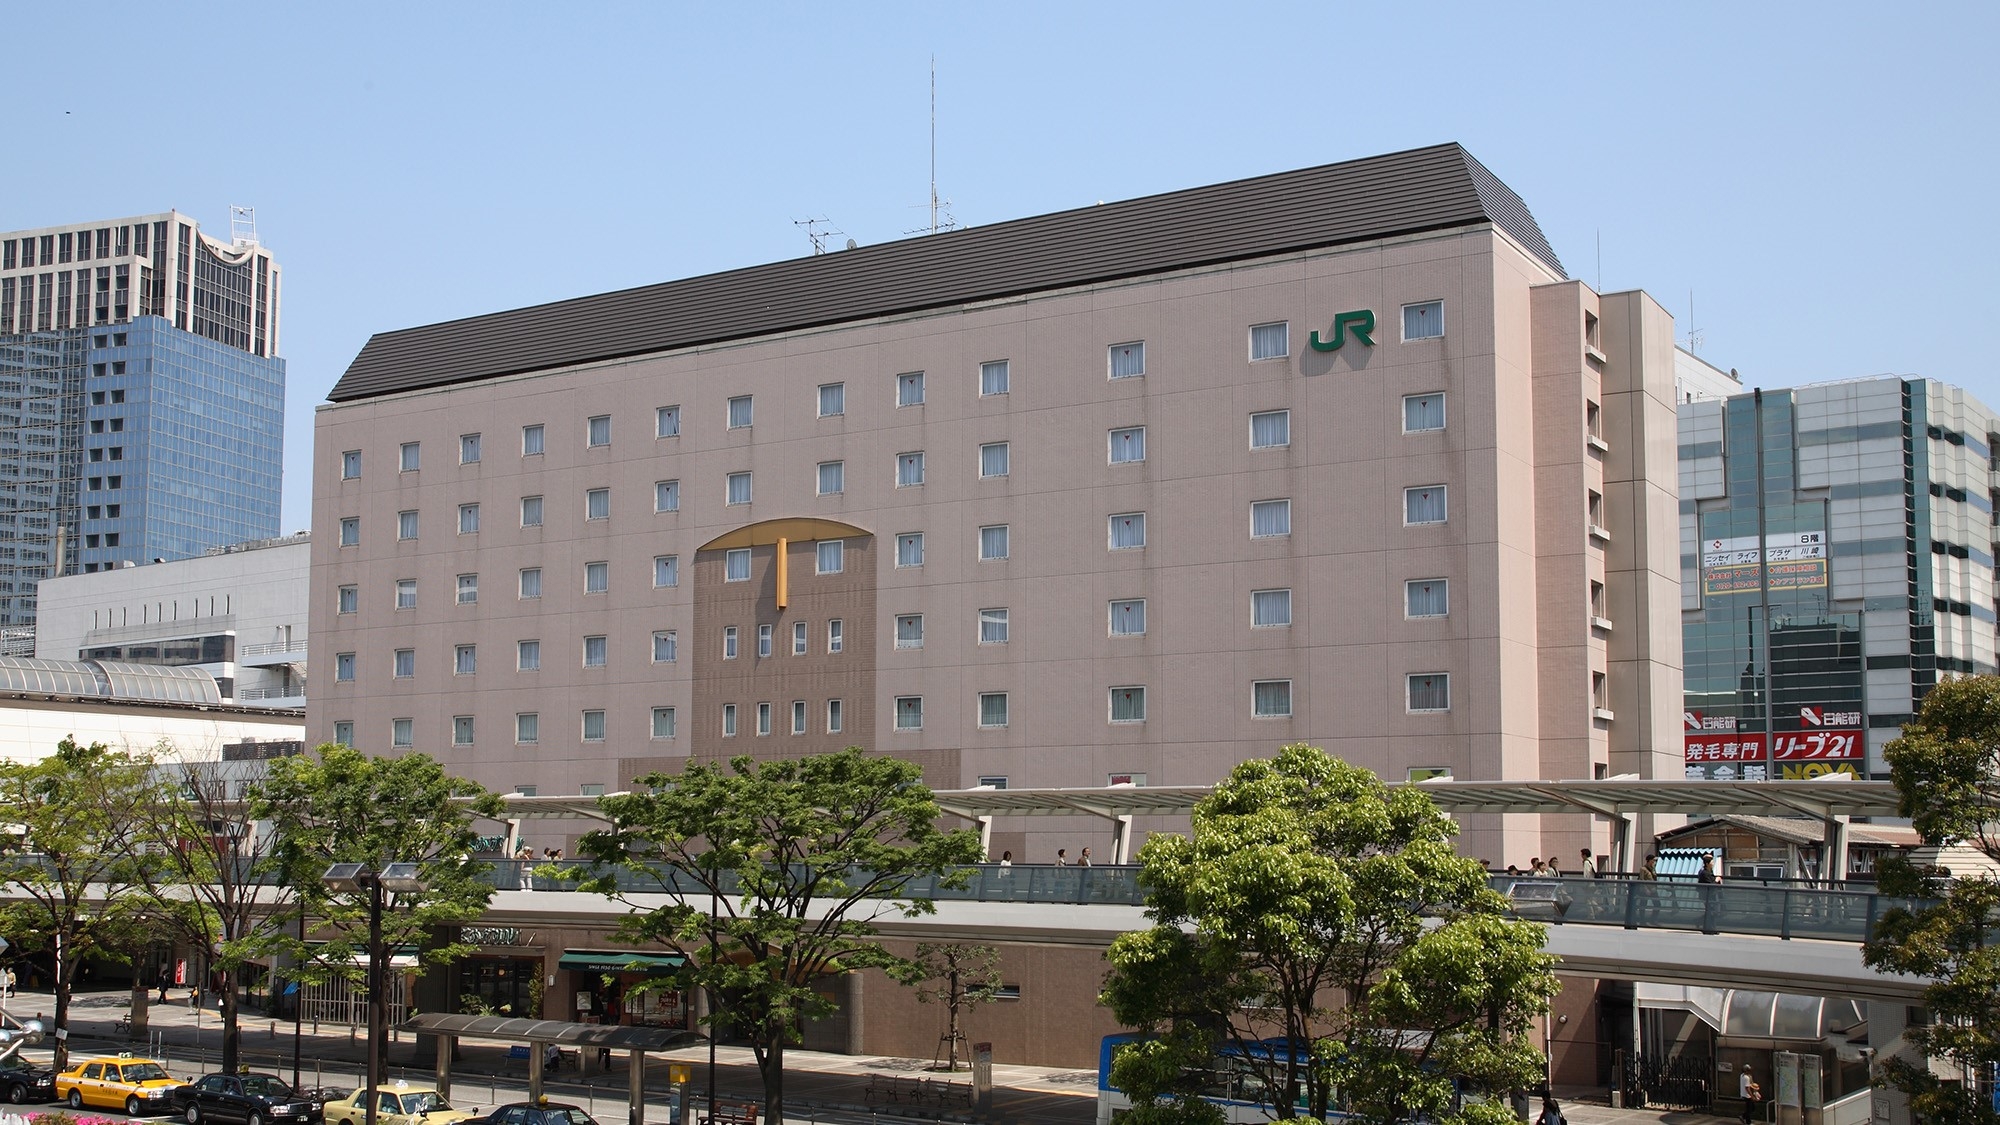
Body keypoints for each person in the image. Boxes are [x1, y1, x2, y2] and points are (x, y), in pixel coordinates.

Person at [1698, 854, 1722, 933]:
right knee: (1711, 912)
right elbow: (1710, 884)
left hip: (1712, 895)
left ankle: (1711, 928)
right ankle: (1709, 929)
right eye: (1712, 862)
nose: (1713, 863)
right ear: (1707, 863)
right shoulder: (1704, 873)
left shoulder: (1709, 871)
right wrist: (1716, 880)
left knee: (1712, 911)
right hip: (1707, 895)